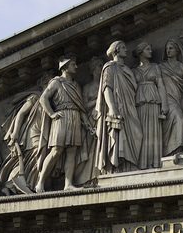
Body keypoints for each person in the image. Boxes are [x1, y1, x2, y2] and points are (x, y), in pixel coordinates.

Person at [38, 57, 92, 191]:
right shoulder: (56, 82)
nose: (76, 67)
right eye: (73, 64)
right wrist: (51, 114)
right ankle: (40, 182)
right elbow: (43, 98)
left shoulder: (76, 85)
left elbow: (80, 107)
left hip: (74, 117)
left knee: (72, 152)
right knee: (56, 151)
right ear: (65, 67)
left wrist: (88, 125)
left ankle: (68, 184)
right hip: (61, 117)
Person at [95, 40, 144, 174]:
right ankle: (121, 165)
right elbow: (107, 88)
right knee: (119, 134)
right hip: (119, 106)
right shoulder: (110, 67)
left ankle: (132, 162)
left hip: (130, 106)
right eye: (123, 47)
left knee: (136, 133)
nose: (126, 50)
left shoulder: (127, 69)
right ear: (116, 50)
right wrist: (112, 107)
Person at [159, 38, 183, 155]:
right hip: (166, 97)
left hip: (177, 97)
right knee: (178, 117)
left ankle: (172, 148)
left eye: (171, 48)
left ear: (177, 50)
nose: (168, 51)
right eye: (167, 49)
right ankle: (177, 148)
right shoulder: (161, 67)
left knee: (178, 118)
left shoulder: (181, 66)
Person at [133, 43, 169, 169]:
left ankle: (155, 162)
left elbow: (161, 85)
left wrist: (164, 104)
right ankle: (142, 163)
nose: (151, 51)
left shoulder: (155, 67)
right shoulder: (134, 71)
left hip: (154, 103)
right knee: (141, 133)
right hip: (140, 105)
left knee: (154, 132)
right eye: (147, 49)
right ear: (140, 52)